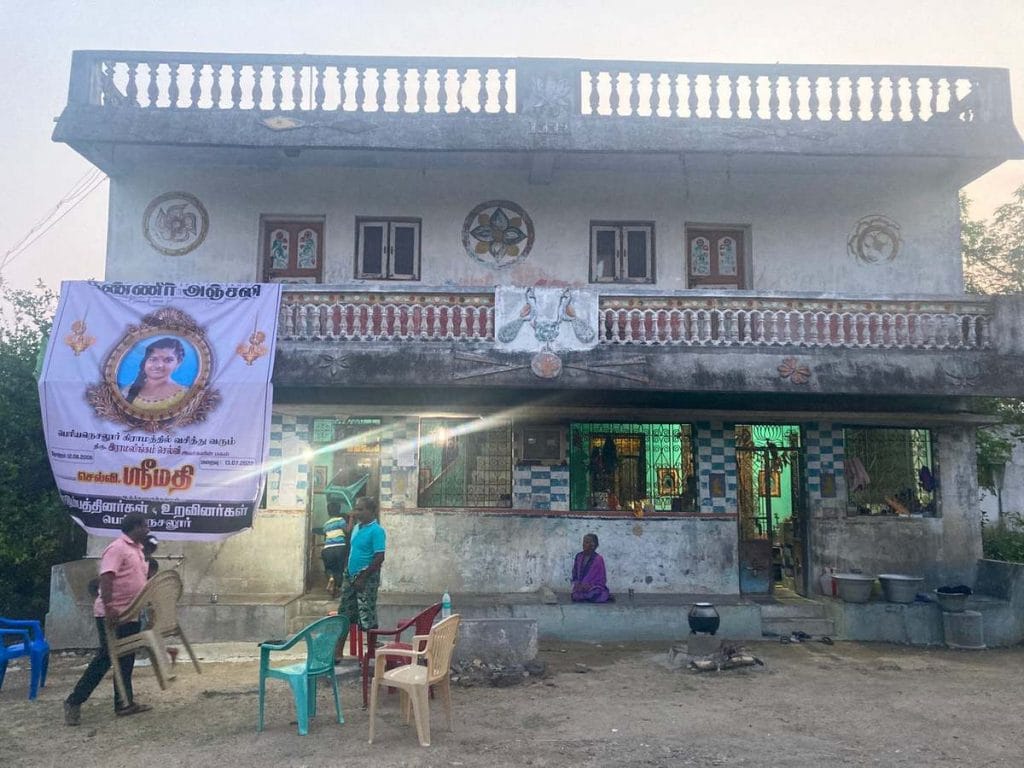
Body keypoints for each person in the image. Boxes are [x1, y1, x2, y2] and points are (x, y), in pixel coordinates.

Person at [65, 512, 154, 725]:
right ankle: (74, 701)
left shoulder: (138, 550)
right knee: (106, 657)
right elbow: (106, 578)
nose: (148, 530)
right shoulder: (117, 548)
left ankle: (124, 703)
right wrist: (110, 607)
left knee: (126, 658)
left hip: (130, 613)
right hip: (112, 613)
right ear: (135, 527)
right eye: (145, 526)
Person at [338, 497, 386, 644]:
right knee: (344, 613)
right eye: (356, 509)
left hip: (366, 578)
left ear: (371, 511)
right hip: (350, 575)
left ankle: (371, 649)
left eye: (361, 509)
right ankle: (338, 651)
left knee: (368, 613)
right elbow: (352, 550)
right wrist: (346, 569)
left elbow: (379, 557)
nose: (357, 512)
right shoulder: (358, 528)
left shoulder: (377, 531)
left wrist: (363, 577)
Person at [123, 337, 188, 408]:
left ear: (178, 363)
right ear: (145, 362)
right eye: (153, 359)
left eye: (168, 360)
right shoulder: (128, 390)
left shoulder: (186, 395)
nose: (159, 365)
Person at [320, 500, 351, 596]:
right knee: (339, 569)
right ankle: (337, 589)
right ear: (339, 511)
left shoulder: (325, 525)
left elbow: (326, 536)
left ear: (328, 512)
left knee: (329, 568)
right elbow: (348, 530)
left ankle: (331, 578)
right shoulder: (341, 520)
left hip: (327, 549)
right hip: (339, 548)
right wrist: (351, 519)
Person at [571, 533, 612, 603]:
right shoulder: (579, 556)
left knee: (595, 593)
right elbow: (574, 572)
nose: (583, 544)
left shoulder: (598, 559)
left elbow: (602, 579)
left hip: (593, 587)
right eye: (583, 542)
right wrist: (577, 583)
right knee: (576, 594)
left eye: (586, 542)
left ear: (593, 545)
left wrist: (589, 585)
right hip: (580, 587)